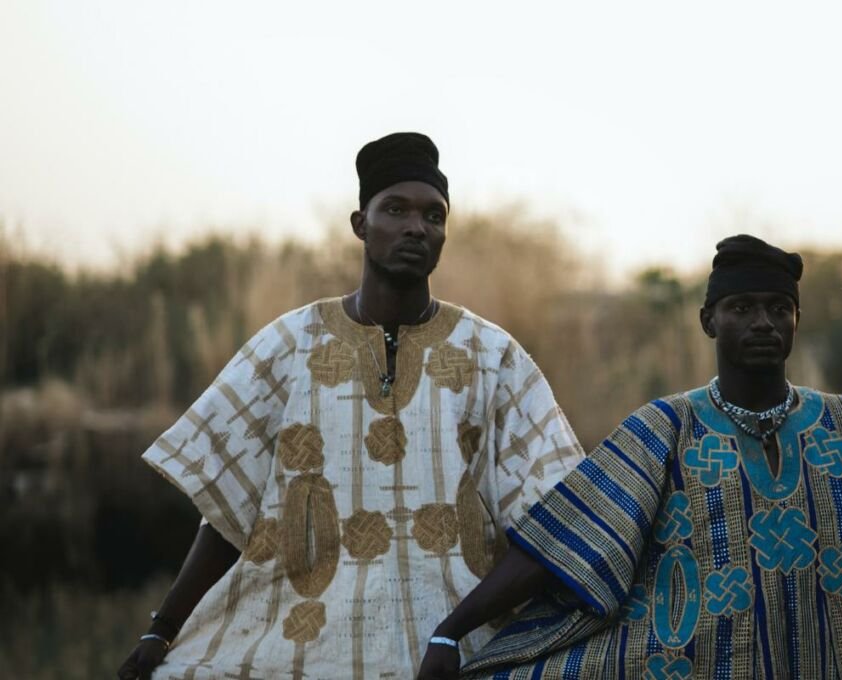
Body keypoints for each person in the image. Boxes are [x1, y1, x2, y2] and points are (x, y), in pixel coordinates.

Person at [417, 235, 842, 679]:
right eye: (743, 308)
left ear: (797, 321)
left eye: (779, 309)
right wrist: (451, 634)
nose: (763, 322)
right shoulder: (663, 430)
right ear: (710, 320)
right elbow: (563, 541)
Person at [116, 132, 585, 680]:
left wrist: (451, 631)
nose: (417, 227)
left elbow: (558, 524)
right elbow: (229, 509)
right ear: (360, 224)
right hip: (302, 637)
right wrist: (162, 628)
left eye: (434, 216)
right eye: (396, 210)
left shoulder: (493, 357)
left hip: (456, 642)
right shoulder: (289, 346)